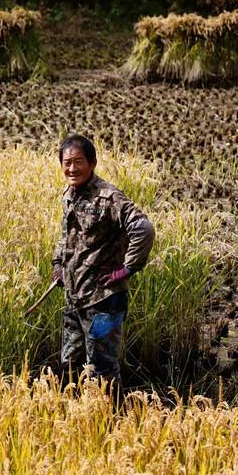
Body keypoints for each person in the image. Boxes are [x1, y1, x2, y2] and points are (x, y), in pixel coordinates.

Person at [52, 135, 155, 390]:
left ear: (93, 162)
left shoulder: (108, 198)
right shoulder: (69, 194)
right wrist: (58, 265)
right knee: (69, 365)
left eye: (79, 162)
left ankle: (109, 422)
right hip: (75, 298)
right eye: (67, 163)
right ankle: (77, 419)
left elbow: (143, 229)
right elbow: (68, 236)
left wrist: (127, 269)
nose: (72, 168)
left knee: (103, 371)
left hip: (104, 301)